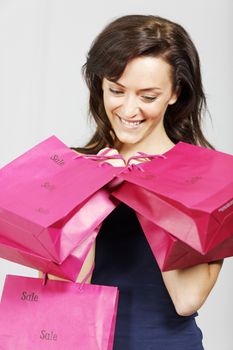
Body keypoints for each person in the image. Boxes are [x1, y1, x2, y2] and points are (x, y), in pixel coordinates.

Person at [72, 14, 223, 349]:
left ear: (175, 92)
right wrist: (89, 196)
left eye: (148, 96)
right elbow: (64, 284)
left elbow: (187, 298)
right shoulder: (74, 167)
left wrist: (151, 188)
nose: (129, 108)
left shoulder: (207, 177)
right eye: (116, 90)